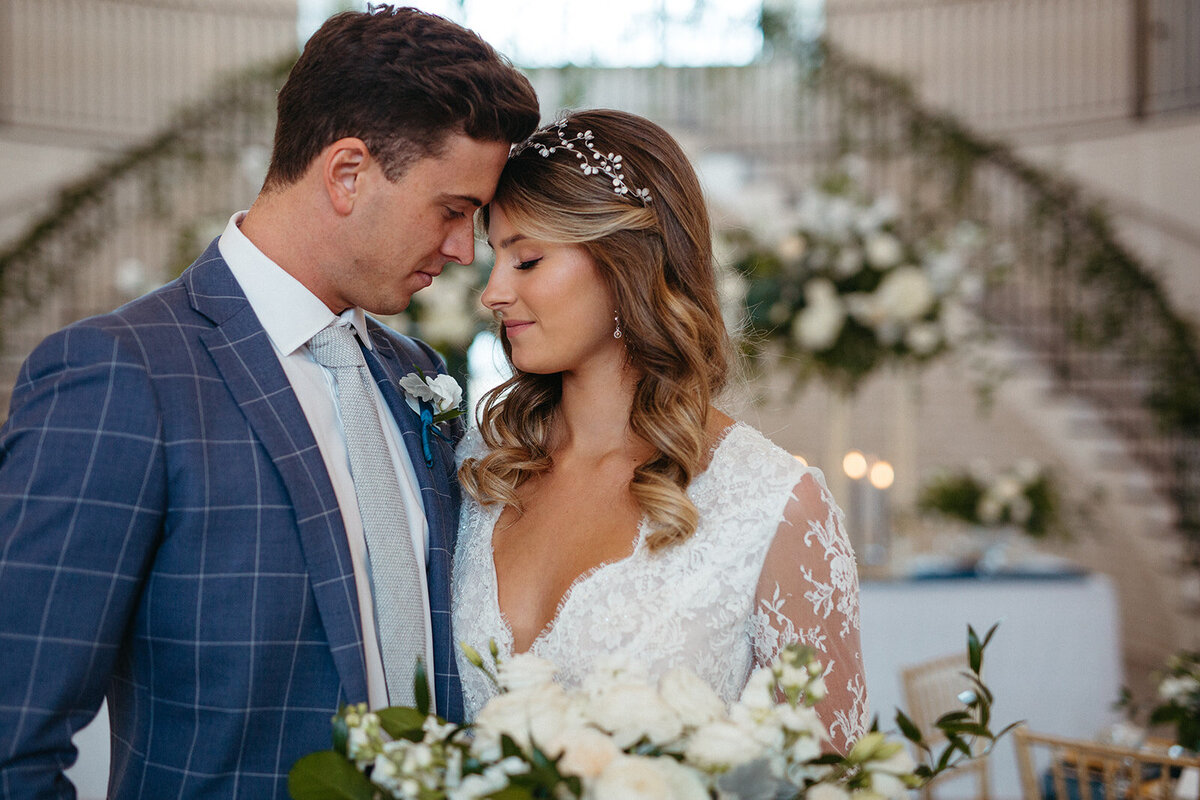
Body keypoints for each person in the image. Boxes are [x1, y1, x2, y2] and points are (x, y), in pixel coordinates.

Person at [0, 7, 539, 798]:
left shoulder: (412, 374)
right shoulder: (120, 377)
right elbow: (13, 740)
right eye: (453, 210)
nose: (464, 249)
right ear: (347, 171)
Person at [453, 109, 868, 753]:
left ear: (627, 265)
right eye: (494, 260)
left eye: (527, 260)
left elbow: (826, 777)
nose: (493, 292)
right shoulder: (480, 466)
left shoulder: (772, 503)